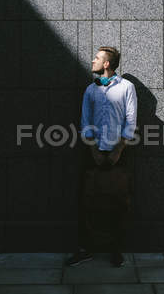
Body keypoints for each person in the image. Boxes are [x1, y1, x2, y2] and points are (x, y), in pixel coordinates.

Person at [65, 46, 137, 268]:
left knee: (119, 202)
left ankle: (116, 250)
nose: (93, 61)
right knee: (87, 201)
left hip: (119, 154)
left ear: (107, 64)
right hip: (93, 153)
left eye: (97, 58)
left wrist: (118, 150)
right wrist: (93, 150)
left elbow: (130, 120)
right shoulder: (91, 90)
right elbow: (85, 122)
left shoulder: (127, 87)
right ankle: (85, 249)